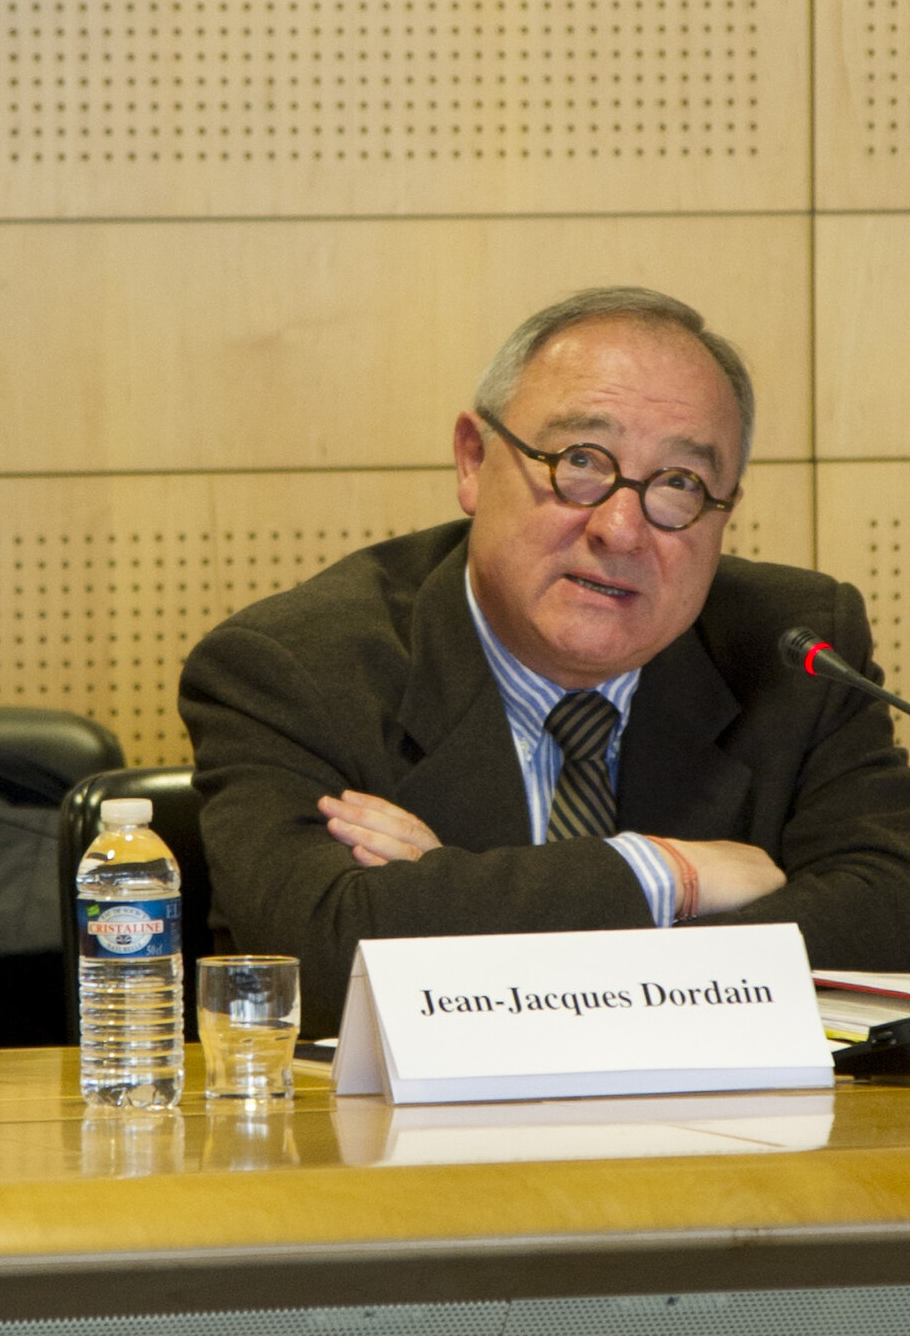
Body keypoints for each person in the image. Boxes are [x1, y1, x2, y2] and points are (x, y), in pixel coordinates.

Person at [180, 285, 910, 1034]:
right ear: (473, 460)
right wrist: (669, 873)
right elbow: (317, 965)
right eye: (581, 460)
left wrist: (456, 902)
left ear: (724, 509)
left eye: (680, 483)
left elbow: (887, 917)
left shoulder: (799, 650)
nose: (622, 529)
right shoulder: (291, 670)